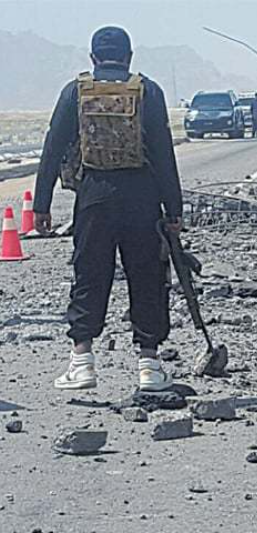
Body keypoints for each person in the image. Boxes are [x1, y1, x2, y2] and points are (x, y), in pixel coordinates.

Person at [33, 26, 183, 391]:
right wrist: (174, 210)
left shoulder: (77, 91)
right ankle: (149, 366)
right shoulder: (148, 91)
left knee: (89, 274)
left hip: (94, 195)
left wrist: (42, 205)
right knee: (147, 277)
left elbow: (52, 149)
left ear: (93, 58)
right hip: (142, 197)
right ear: (129, 57)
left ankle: (82, 362)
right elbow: (164, 155)